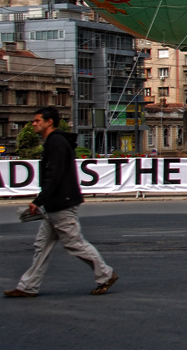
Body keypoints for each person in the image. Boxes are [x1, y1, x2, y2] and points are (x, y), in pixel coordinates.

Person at [4, 107, 118, 298]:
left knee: (74, 243)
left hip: (61, 204)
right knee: (42, 247)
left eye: (37, 120)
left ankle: (106, 274)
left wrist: (39, 200)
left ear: (49, 122)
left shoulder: (55, 142)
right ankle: (28, 286)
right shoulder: (55, 141)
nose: (33, 123)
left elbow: (54, 175)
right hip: (56, 204)